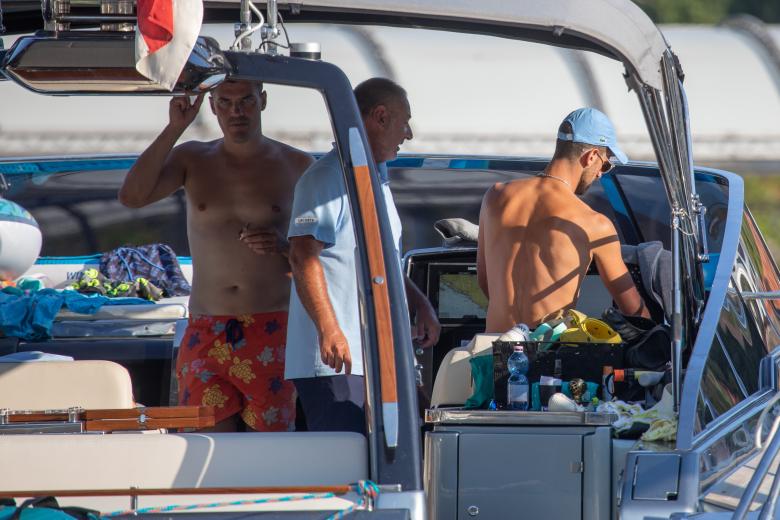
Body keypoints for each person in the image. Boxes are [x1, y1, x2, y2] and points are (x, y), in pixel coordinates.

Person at [118, 80, 313, 431]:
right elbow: (132, 197)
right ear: (212, 106)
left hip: (273, 326)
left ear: (263, 101)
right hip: (207, 326)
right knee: (202, 446)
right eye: (225, 102)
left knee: (268, 453)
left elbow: (327, 250)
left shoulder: (298, 164)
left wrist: (283, 245)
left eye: (246, 101)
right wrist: (175, 128)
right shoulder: (192, 158)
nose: (236, 111)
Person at [285, 77, 441, 433]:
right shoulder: (325, 178)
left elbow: (378, 256)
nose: (409, 134)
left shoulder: (376, 180)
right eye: (405, 122)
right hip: (336, 360)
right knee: (343, 464)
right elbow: (301, 257)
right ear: (380, 117)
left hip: (371, 356)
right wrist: (329, 330)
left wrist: (419, 303)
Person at [477, 107, 650, 333]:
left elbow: (485, 281)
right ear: (591, 157)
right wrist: (660, 338)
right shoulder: (594, 224)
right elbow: (632, 308)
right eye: (606, 165)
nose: (601, 173)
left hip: (490, 352)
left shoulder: (495, 196)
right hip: (547, 356)